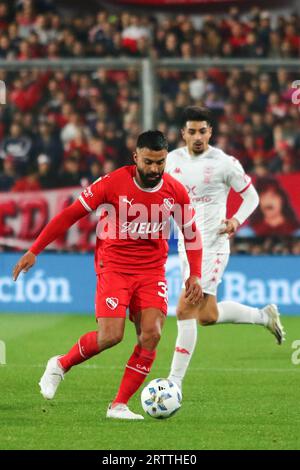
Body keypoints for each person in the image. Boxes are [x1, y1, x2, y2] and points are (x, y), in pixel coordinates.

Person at [13, 130, 203, 420]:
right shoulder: (113, 183)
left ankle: (119, 405)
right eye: (149, 162)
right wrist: (35, 249)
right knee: (111, 336)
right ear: (136, 157)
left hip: (152, 270)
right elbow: (70, 214)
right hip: (113, 266)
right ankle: (61, 364)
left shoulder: (174, 191)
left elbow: (192, 234)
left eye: (160, 162)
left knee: (151, 334)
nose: (154, 169)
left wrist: (195, 275)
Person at [165, 107, 285, 391]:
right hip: (186, 246)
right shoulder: (171, 161)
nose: (197, 137)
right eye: (191, 131)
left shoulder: (224, 163)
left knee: (184, 310)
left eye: (202, 131)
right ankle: (262, 316)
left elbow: (251, 197)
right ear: (182, 133)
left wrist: (235, 220)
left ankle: (173, 384)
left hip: (214, 246)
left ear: (210, 132)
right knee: (207, 316)